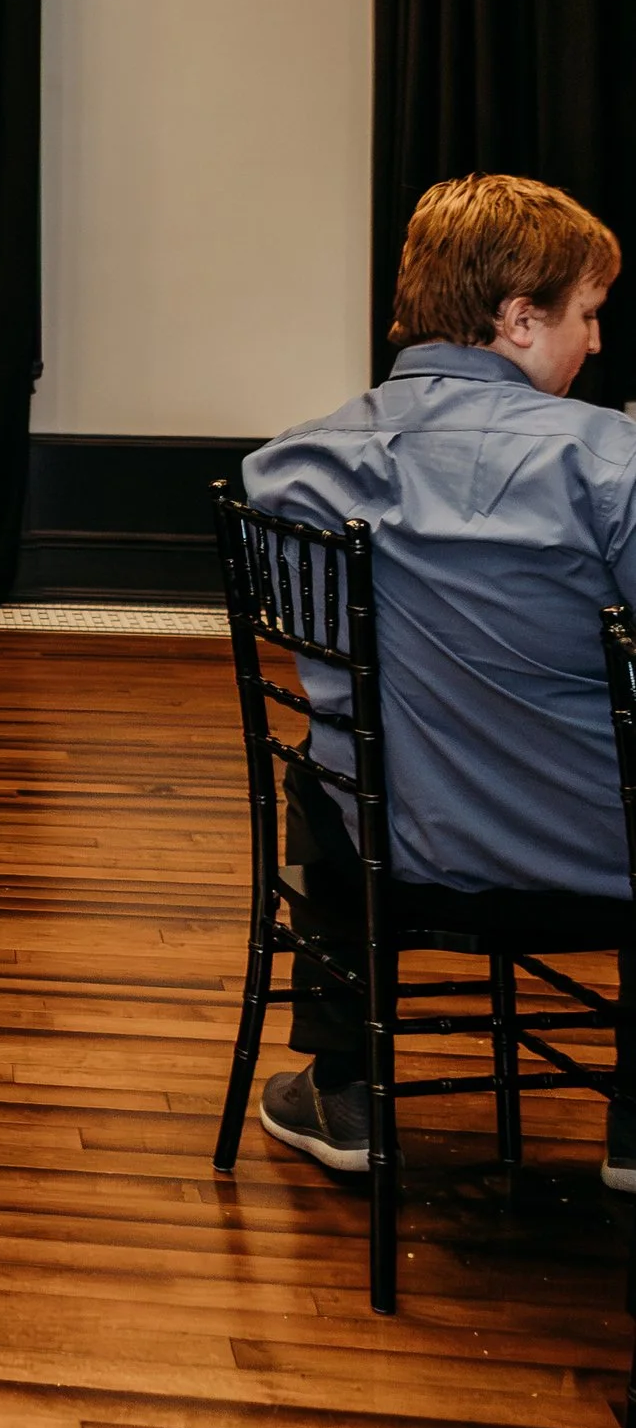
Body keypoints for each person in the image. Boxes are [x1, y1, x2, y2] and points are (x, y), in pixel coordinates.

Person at [242, 172, 636, 1195]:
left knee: (320, 764)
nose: (593, 344)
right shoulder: (613, 462)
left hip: (394, 849)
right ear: (517, 320)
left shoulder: (285, 472)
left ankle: (344, 1085)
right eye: (585, 316)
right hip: (604, 851)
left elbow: (323, 663)